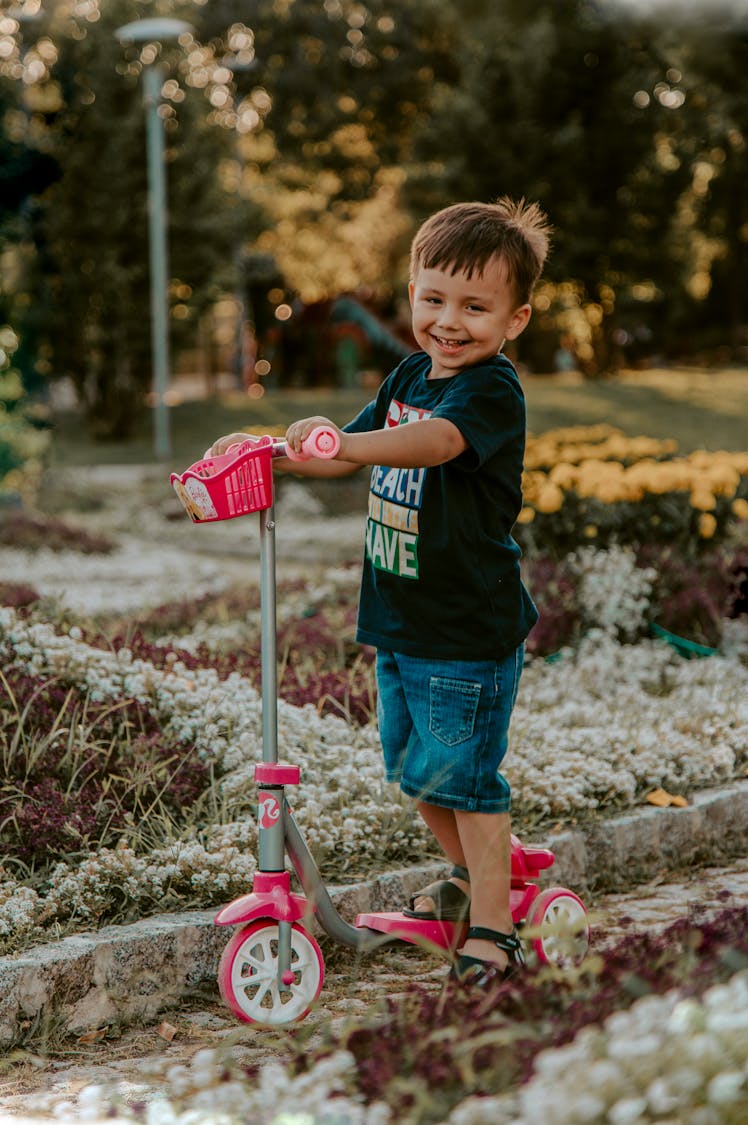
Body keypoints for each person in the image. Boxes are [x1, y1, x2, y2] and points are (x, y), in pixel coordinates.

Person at [206, 197, 551, 987]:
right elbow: (341, 455)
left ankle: (495, 931)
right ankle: (473, 880)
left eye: (475, 306)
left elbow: (434, 442)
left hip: (467, 627)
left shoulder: (492, 390)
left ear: (515, 317)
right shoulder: (406, 374)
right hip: (401, 621)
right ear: (411, 292)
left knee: (467, 778)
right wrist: (275, 450)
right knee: (418, 772)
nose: (449, 321)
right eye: (433, 299)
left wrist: (352, 440)